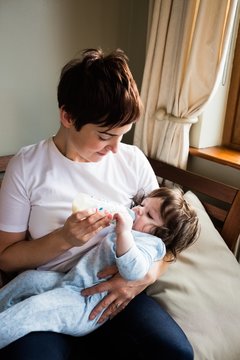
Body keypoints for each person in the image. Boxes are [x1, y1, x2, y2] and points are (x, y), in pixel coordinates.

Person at [0, 48, 195, 359]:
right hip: (55, 290)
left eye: (123, 135)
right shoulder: (27, 166)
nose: (116, 149)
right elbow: (6, 258)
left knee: (176, 351)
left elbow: (167, 244)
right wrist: (63, 239)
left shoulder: (132, 161)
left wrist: (139, 280)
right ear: (68, 117)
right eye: (105, 136)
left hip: (116, 293)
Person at [0, 187, 200, 349]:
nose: (138, 209)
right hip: (71, 281)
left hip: (85, 302)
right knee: (28, 279)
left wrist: (123, 233)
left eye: (148, 214)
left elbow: (135, 271)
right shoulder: (133, 228)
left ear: (163, 234)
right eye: (142, 204)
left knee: (35, 308)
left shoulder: (151, 245)